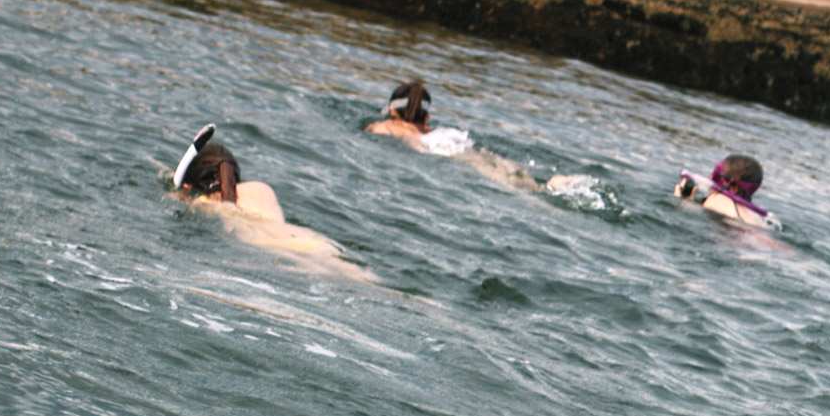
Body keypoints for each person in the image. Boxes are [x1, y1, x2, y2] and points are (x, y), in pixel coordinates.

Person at [170, 125, 368, 278]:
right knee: (363, 278)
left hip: (282, 252)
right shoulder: (261, 189)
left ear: (192, 183)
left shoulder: (203, 203)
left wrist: (179, 193)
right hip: (313, 241)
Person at [368, 81, 575, 194]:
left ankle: (541, 191)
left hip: (434, 148)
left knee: (502, 181)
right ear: (427, 116)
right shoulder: (438, 132)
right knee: (494, 163)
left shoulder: (384, 127)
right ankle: (545, 184)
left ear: (392, 111)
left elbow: (396, 139)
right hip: (454, 142)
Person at [674, 155, 772, 228]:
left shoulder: (719, 198)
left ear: (734, 187)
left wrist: (682, 200)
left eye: (717, 178)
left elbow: (685, 214)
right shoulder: (756, 217)